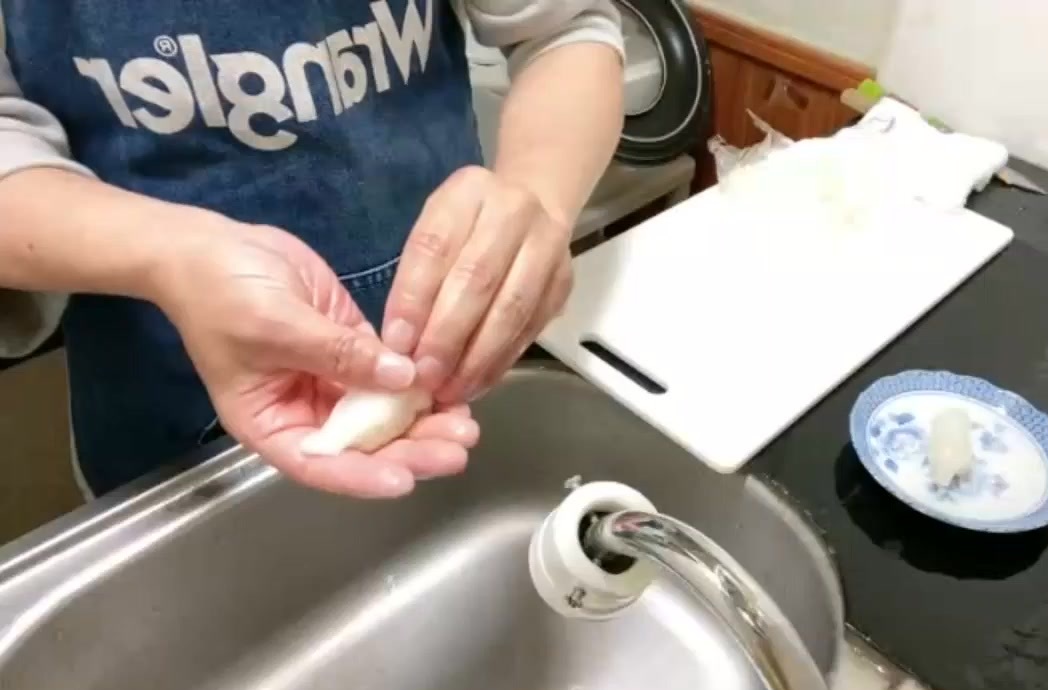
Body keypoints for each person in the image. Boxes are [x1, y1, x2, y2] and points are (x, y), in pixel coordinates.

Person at [0, 1, 625, 499]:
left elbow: (566, 30)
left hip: (448, 385)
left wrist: (538, 197)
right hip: (161, 410)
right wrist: (174, 258)